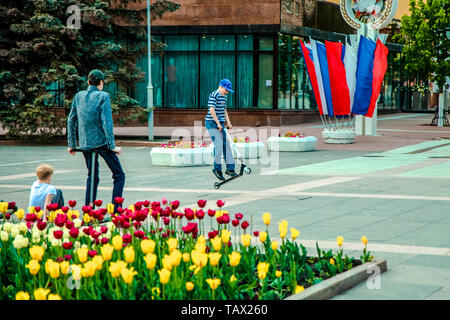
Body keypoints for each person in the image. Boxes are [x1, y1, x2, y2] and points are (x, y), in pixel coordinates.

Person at [67, 69, 125, 208]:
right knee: (119, 175)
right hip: (102, 143)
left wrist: (72, 144)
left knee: (92, 176)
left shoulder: (78, 96)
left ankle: (89, 209)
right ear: (101, 83)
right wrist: (112, 146)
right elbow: (106, 122)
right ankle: (116, 209)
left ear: (88, 82)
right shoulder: (103, 96)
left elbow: (71, 120)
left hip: (86, 143)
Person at [205, 79, 237, 181]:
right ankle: (217, 169)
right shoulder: (214, 94)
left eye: (228, 91)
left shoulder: (224, 96)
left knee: (226, 145)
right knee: (218, 145)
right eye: (226, 90)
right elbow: (212, 110)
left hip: (221, 123)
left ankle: (230, 169)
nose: (226, 92)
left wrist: (229, 122)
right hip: (212, 123)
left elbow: (224, 110)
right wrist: (218, 123)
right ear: (221, 86)